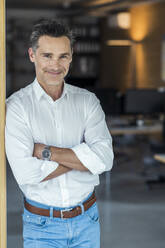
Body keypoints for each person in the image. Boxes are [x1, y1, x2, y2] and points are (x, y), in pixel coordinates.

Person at [5, 18, 114, 248]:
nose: (56, 65)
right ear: (32, 55)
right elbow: (26, 173)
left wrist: (46, 152)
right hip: (41, 227)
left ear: (71, 56)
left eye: (63, 56)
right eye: (47, 56)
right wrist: (84, 158)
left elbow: (105, 159)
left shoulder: (87, 102)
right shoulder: (16, 107)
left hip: (88, 221)